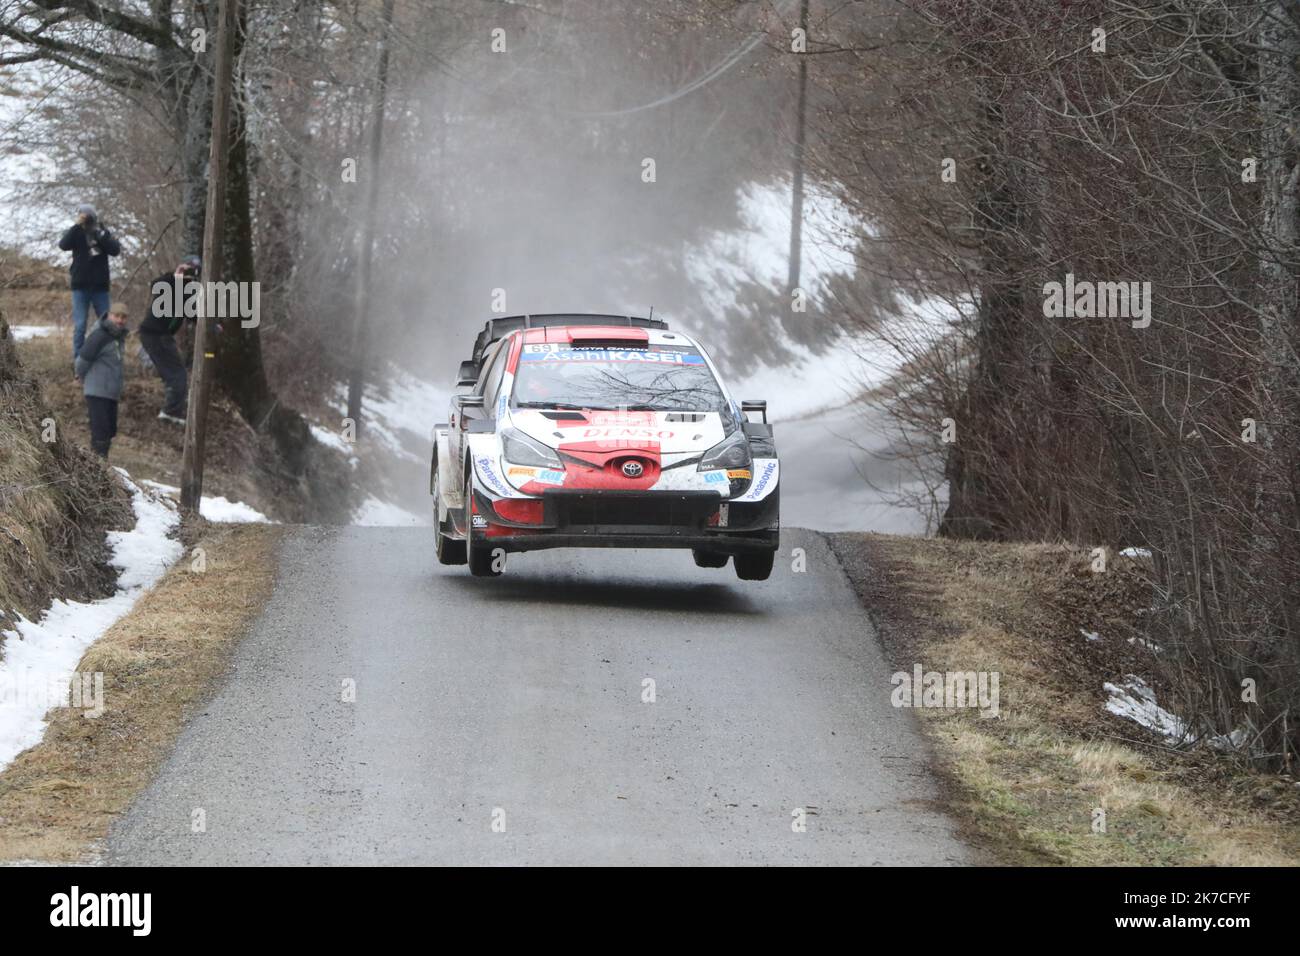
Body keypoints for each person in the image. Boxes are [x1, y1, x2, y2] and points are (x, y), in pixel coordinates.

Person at [139, 255, 201, 424]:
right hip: (154, 334)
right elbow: (155, 286)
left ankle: (174, 405)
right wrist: (175, 276)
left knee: (175, 373)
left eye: (193, 270)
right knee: (177, 374)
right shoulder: (169, 282)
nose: (189, 272)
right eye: (187, 267)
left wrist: (212, 325)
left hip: (162, 335)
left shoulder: (189, 292)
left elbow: (194, 314)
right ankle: (170, 412)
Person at [58, 204, 121, 366]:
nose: (86, 219)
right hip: (80, 286)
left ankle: (107, 358)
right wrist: (76, 224)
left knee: (108, 324)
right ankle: (79, 363)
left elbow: (115, 250)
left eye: (87, 216)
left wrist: (102, 236)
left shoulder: (102, 232)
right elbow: (63, 245)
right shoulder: (76, 232)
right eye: (82, 216)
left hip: (100, 287)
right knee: (80, 326)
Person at [75, 308, 130, 459]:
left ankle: (100, 464)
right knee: (101, 432)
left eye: (123, 317)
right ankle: (98, 466)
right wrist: (80, 375)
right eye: (117, 316)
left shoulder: (118, 338)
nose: (120, 320)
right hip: (97, 390)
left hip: (111, 393)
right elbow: (82, 359)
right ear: (109, 316)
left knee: (110, 431)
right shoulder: (100, 335)